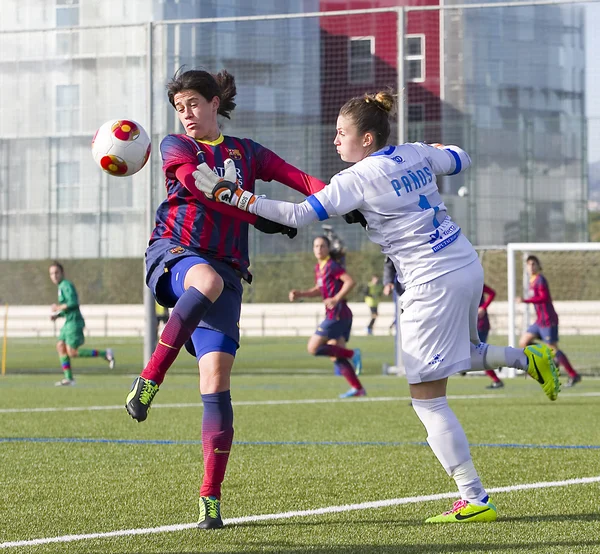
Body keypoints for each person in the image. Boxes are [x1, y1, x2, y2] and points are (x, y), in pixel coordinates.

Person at [194, 89, 561, 524]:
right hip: (463, 262)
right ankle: (527, 358)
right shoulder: (413, 152)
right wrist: (439, 152)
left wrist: (232, 195)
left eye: (341, 133)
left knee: (427, 399)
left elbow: (295, 215)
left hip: (430, 281)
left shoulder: (356, 179)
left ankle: (475, 497)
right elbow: (460, 158)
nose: (335, 141)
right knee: (462, 353)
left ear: (366, 139)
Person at [124, 69, 327, 530]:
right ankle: (150, 378)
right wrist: (259, 215)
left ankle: (210, 500)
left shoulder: (247, 151)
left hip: (229, 269)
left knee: (216, 384)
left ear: (216, 103)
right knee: (207, 281)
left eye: (193, 103)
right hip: (178, 252)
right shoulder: (177, 147)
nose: (186, 114)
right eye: (179, 108)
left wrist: (342, 199)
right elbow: (197, 186)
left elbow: (297, 178)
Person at [289, 235, 365, 397]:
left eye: (322, 246)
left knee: (313, 348)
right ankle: (358, 389)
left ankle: (353, 354)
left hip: (338, 314)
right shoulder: (319, 268)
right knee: (336, 354)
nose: (319, 249)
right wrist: (301, 293)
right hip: (336, 314)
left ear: (328, 248)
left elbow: (350, 282)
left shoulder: (332, 266)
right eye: (316, 246)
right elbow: (319, 289)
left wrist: (336, 298)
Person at [517, 255, 581, 388]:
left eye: (533, 264)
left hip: (548, 320)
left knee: (553, 348)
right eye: (529, 264)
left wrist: (525, 300)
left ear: (538, 265)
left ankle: (573, 375)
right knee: (523, 342)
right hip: (539, 321)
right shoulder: (532, 280)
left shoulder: (540, 280)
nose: (531, 267)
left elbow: (543, 297)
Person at [48, 261, 114, 386]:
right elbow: (68, 308)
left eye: (56, 272)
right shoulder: (60, 287)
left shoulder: (66, 285)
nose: (54, 276)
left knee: (72, 352)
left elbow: (73, 303)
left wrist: (57, 308)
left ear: (62, 273)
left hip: (74, 322)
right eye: (51, 273)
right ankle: (69, 378)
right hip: (68, 322)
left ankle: (105, 353)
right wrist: (58, 315)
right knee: (60, 346)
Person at [478, 284, 504, 389]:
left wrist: (483, 307)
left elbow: (492, 293)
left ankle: (499, 361)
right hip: (469, 325)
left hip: (480, 325)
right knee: (479, 354)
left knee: (479, 355)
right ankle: (499, 359)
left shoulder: (476, 281)